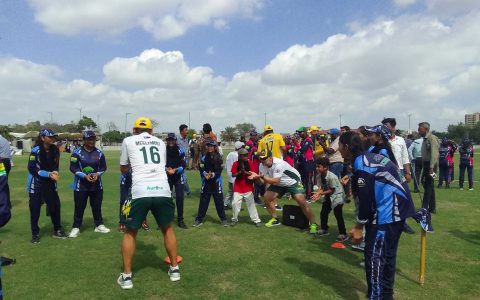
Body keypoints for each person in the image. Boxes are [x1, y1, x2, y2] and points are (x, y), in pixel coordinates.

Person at [338, 131, 415, 300]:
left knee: (375, 259)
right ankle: (387, 295)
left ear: (346, 147)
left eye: (340, 147)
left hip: (387, 214)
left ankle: (377, 296)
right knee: (387, 256)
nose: (339, 150)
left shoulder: (362, 162)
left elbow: (365, 200)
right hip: (399, 212)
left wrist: (359, 226)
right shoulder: (368, 157)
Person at [118, 117, 180, 289]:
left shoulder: (128, 140)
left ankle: (127, 277)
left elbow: (123, 167)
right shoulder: (160, 143)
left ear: (134, 129)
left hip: (140, 191)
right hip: (162, 189)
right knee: (167, 228)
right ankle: (174, 269)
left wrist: (130, 168)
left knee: (130, 232)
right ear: (151, 131)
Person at [249, 150, 318, 234]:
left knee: (300, 200)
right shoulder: (261, 165)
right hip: (278, 182)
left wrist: (262, 177)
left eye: (264, 158)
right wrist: (256, 178)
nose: (262, 161)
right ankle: (275, 219)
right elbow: (263, 182)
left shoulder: (279, 164)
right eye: (260, 159)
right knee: (267, 198)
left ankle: (313, 224)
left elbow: (275, 181)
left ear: (271, 157)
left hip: (292, 181)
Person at [27, 129, 67, 243]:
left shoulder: (55, 150)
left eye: (53, 137)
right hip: (37, 183)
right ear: (42, 138)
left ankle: (57, 229)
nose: (52, 139)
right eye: (50, 137)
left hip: (50, 183)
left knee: (55, 207)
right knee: (35, 210)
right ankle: (35, 234)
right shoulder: (35, 151)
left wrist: (55, 172)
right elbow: (32, 169)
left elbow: (56, 165)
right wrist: (48, 174)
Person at [68, 130, 110, 238]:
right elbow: (73, 168)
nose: (92, 141)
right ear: (84, 140)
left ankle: (99, 225)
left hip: (96, 185)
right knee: (79, 207)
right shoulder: (76, 153)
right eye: (89, 139)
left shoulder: (99, 153)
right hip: (80, 186)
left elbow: (103, 167)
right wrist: (84, 176)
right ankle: (76, 227)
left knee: (96, 206)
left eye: (93, 139)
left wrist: (97, 174)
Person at [311, 157, 347, 241]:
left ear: (325, 167)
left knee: (338, 214)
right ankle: (324, 229)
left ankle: (343, 233)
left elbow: (332, 190)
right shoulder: (319, 176)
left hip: (337, 196)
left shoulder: (332, 177)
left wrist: (320, 193)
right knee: (323, 212)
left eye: (319, 166)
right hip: (328, 196)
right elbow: (321, 187)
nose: (317, 168)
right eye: (316, 166)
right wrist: (317, 194)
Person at [193, 140, 228, 227]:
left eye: (211, 146)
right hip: (206, 182)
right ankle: (199, 220)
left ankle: (223, 220)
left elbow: (219, 171)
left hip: (216, 182)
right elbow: (201, 168)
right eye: (208, 146)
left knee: (219, 202)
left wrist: (212, 174)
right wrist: (205, 174)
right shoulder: (204, 157)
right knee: (203, 202)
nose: (210, 147)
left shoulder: (219, 157)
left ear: (215, 147)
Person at [230, 148, 262, 227]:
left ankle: (256, 220)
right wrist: (240, 172)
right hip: (238, 187)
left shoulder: (250, 163)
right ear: (240, 156)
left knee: (251, 204)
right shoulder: (235, 164)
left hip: (248, 187)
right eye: (244, 155)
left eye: (246, 155)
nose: (246, 157)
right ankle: (234, 219)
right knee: (235, 204)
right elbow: (233, 175)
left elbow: (253, 174)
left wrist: (245, 172)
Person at [257, 124, 285, 211]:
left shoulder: (262, 140)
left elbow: (258, 153)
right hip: (275, 161)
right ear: (272, 130)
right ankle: (274, 203)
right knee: (275, 182)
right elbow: (284, 148)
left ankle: (267, 201)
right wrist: (283, 155)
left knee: (267, 181)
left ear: (265, 132)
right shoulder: (278, 136)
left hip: (265, 161)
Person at [165, 133, 187, 229]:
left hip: (178, 176)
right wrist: (166, 169)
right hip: (167, 177)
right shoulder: (163, 151)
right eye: (169, 140)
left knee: (179, 198)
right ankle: (165, 220)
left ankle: (180, 220)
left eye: (172, 140)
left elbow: (183, 166)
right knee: (166, 199)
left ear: (175, 140)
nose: (170, 142)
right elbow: (160, 164)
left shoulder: (180, 151)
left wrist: (175, 170)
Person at [418, 122, 439, 213]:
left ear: (426, 129)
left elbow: (434, 154)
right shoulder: (425, 139)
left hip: (431, 166)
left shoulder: (432, 138)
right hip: (426, 165)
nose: (418, 131)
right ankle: (432, 207)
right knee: (428, 185)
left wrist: (431, 168)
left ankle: (425, 208)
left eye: (420, 129)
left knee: (428, 185)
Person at [224, 141, 244, 209]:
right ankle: (236, 206)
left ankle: (225, 204)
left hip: (229, 174)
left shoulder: (230, 154)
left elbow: (226, 166)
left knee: (230, 191)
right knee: (237, 192)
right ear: (240, 148)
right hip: (235, 175)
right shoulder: (237, 155)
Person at [296, 127, 315, 199]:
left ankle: (309, 196)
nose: (299, 134)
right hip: (303, 162)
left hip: (309, 162)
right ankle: (306, 194)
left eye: (301, 132)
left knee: (308, 179)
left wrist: (297, 144)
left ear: (305, 132)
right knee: (304, 179)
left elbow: (302, 150)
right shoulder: (303, 140)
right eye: (299, 132)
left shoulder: (308, 140)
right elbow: (299, 152)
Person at [177, 124, 191, 196]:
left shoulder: (187, 139)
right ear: (181, 131)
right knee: (179, 178)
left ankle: (187, 191)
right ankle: (187, 191)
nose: (187, 131)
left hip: (183, 161)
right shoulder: (176, 139)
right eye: (186, 130)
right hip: (177, 161)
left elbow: (186, 149)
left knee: (183, 178)